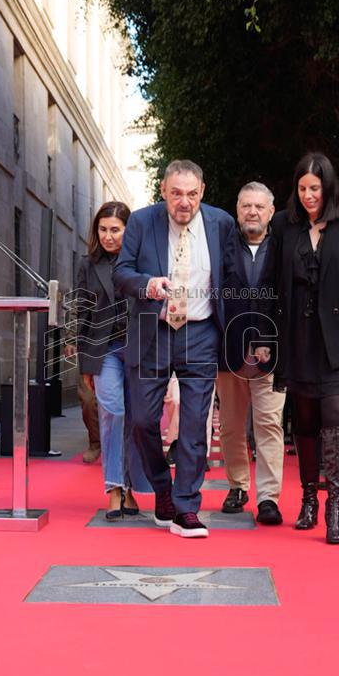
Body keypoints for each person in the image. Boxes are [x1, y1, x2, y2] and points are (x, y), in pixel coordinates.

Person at [113, 159, 236, 538]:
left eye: (192, 194)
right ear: (164, 191)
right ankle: (162, 491)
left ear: (202, 192)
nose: (185, 202)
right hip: (154, 330)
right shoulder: (142, 221)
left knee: (196, 424)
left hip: (201, 334)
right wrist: (147, 285)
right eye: (177, 193)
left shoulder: (221, 224)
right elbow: (121, 272)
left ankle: (186, 506)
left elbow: (230, 277)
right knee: (143, 421)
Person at [266, 152, 339, 544]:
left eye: (315, 187)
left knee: (335, 418)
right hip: (297, 337)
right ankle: (309, 499)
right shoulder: (283, 224)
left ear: (328, 187)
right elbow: (269, 283)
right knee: (306, 422)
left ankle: (335, 506)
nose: (309, 195)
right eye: (302, 188)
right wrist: (265, 336)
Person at [66, 201, 150, 519]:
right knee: (112, 411)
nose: (108, 236)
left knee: (136, 419)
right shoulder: (88, 265)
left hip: (139, 350)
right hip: (104, 351)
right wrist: (86, 362)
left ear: (128, 231)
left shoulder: (143, 262)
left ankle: (130, 487)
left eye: (115, 230)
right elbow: (82, 311)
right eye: (103, 229)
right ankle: (114, 488)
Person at [217, 182, 285, 525]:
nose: (252, 212)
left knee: (269, 425)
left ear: (271, 212)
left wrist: (267, 341)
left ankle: (269, 498)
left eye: (259, 206)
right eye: (246, 206)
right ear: (238, 210)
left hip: (270, 353)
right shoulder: (222, 246)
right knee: (230, 426)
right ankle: (238, 485)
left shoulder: (284, 248)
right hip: (228, 352)